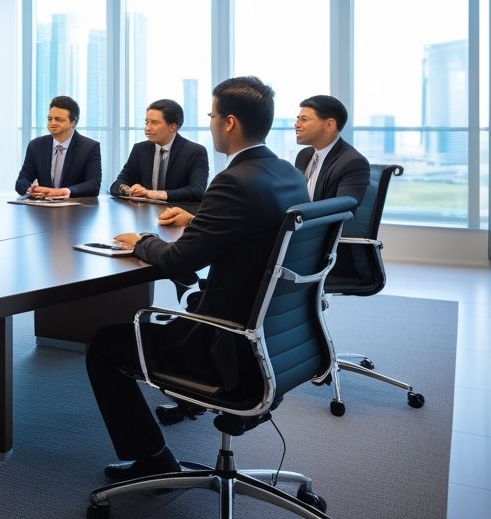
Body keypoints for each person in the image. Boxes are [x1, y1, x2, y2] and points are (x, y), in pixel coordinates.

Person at [85, 76, 310, 481]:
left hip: (225, 345)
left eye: (211, 115)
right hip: (277, 340)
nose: (208, 122)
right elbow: (256, 230)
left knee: (104, 345)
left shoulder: (234, 181)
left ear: (229, 123)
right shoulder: (286, 174)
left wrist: (143, 241)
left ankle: (152, 459)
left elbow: (177, 261)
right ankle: (178, 421)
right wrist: (197, 219)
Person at [109, 99, 209, 203]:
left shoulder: (195, 151)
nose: (147, 128)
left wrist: (155, 194)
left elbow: (197, 191)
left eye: (154, 123)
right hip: (144, 212)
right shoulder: (139, 149)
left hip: (178, 213)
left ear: (172, 127)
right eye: (146, 122)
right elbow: (117, 184)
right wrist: (128, 190)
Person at [15, 95, 102, 198]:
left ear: (73, 123)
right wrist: (30, 190)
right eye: (50, 119)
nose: (52, 123)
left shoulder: (90, 147)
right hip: (43, 208)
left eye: (59, 119)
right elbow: (22, 180)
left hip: (76, 209)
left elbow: (93, 185)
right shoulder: (36, 145)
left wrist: (62, 192)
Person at [294, 94, 370, 203]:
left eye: (304, 120)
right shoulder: (304, 155)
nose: (296, 125)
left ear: (329, 125)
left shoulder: (353, 162)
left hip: (320, 220)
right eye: (298, 119)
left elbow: (341, 210)